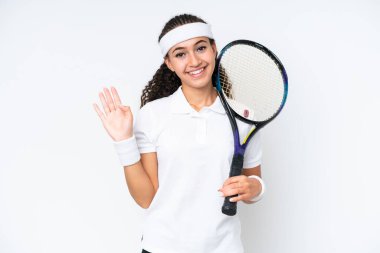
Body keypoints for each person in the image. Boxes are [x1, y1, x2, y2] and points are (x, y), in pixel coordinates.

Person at [93, 13, 265, 253]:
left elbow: (254, 182)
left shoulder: (244, 114)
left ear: (214, 49)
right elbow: (146, 198)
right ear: (169, 63)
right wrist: (124, 141)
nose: (194, 61)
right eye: (180, 54)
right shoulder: (153, 114)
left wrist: (254, 188)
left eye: (201, 48)